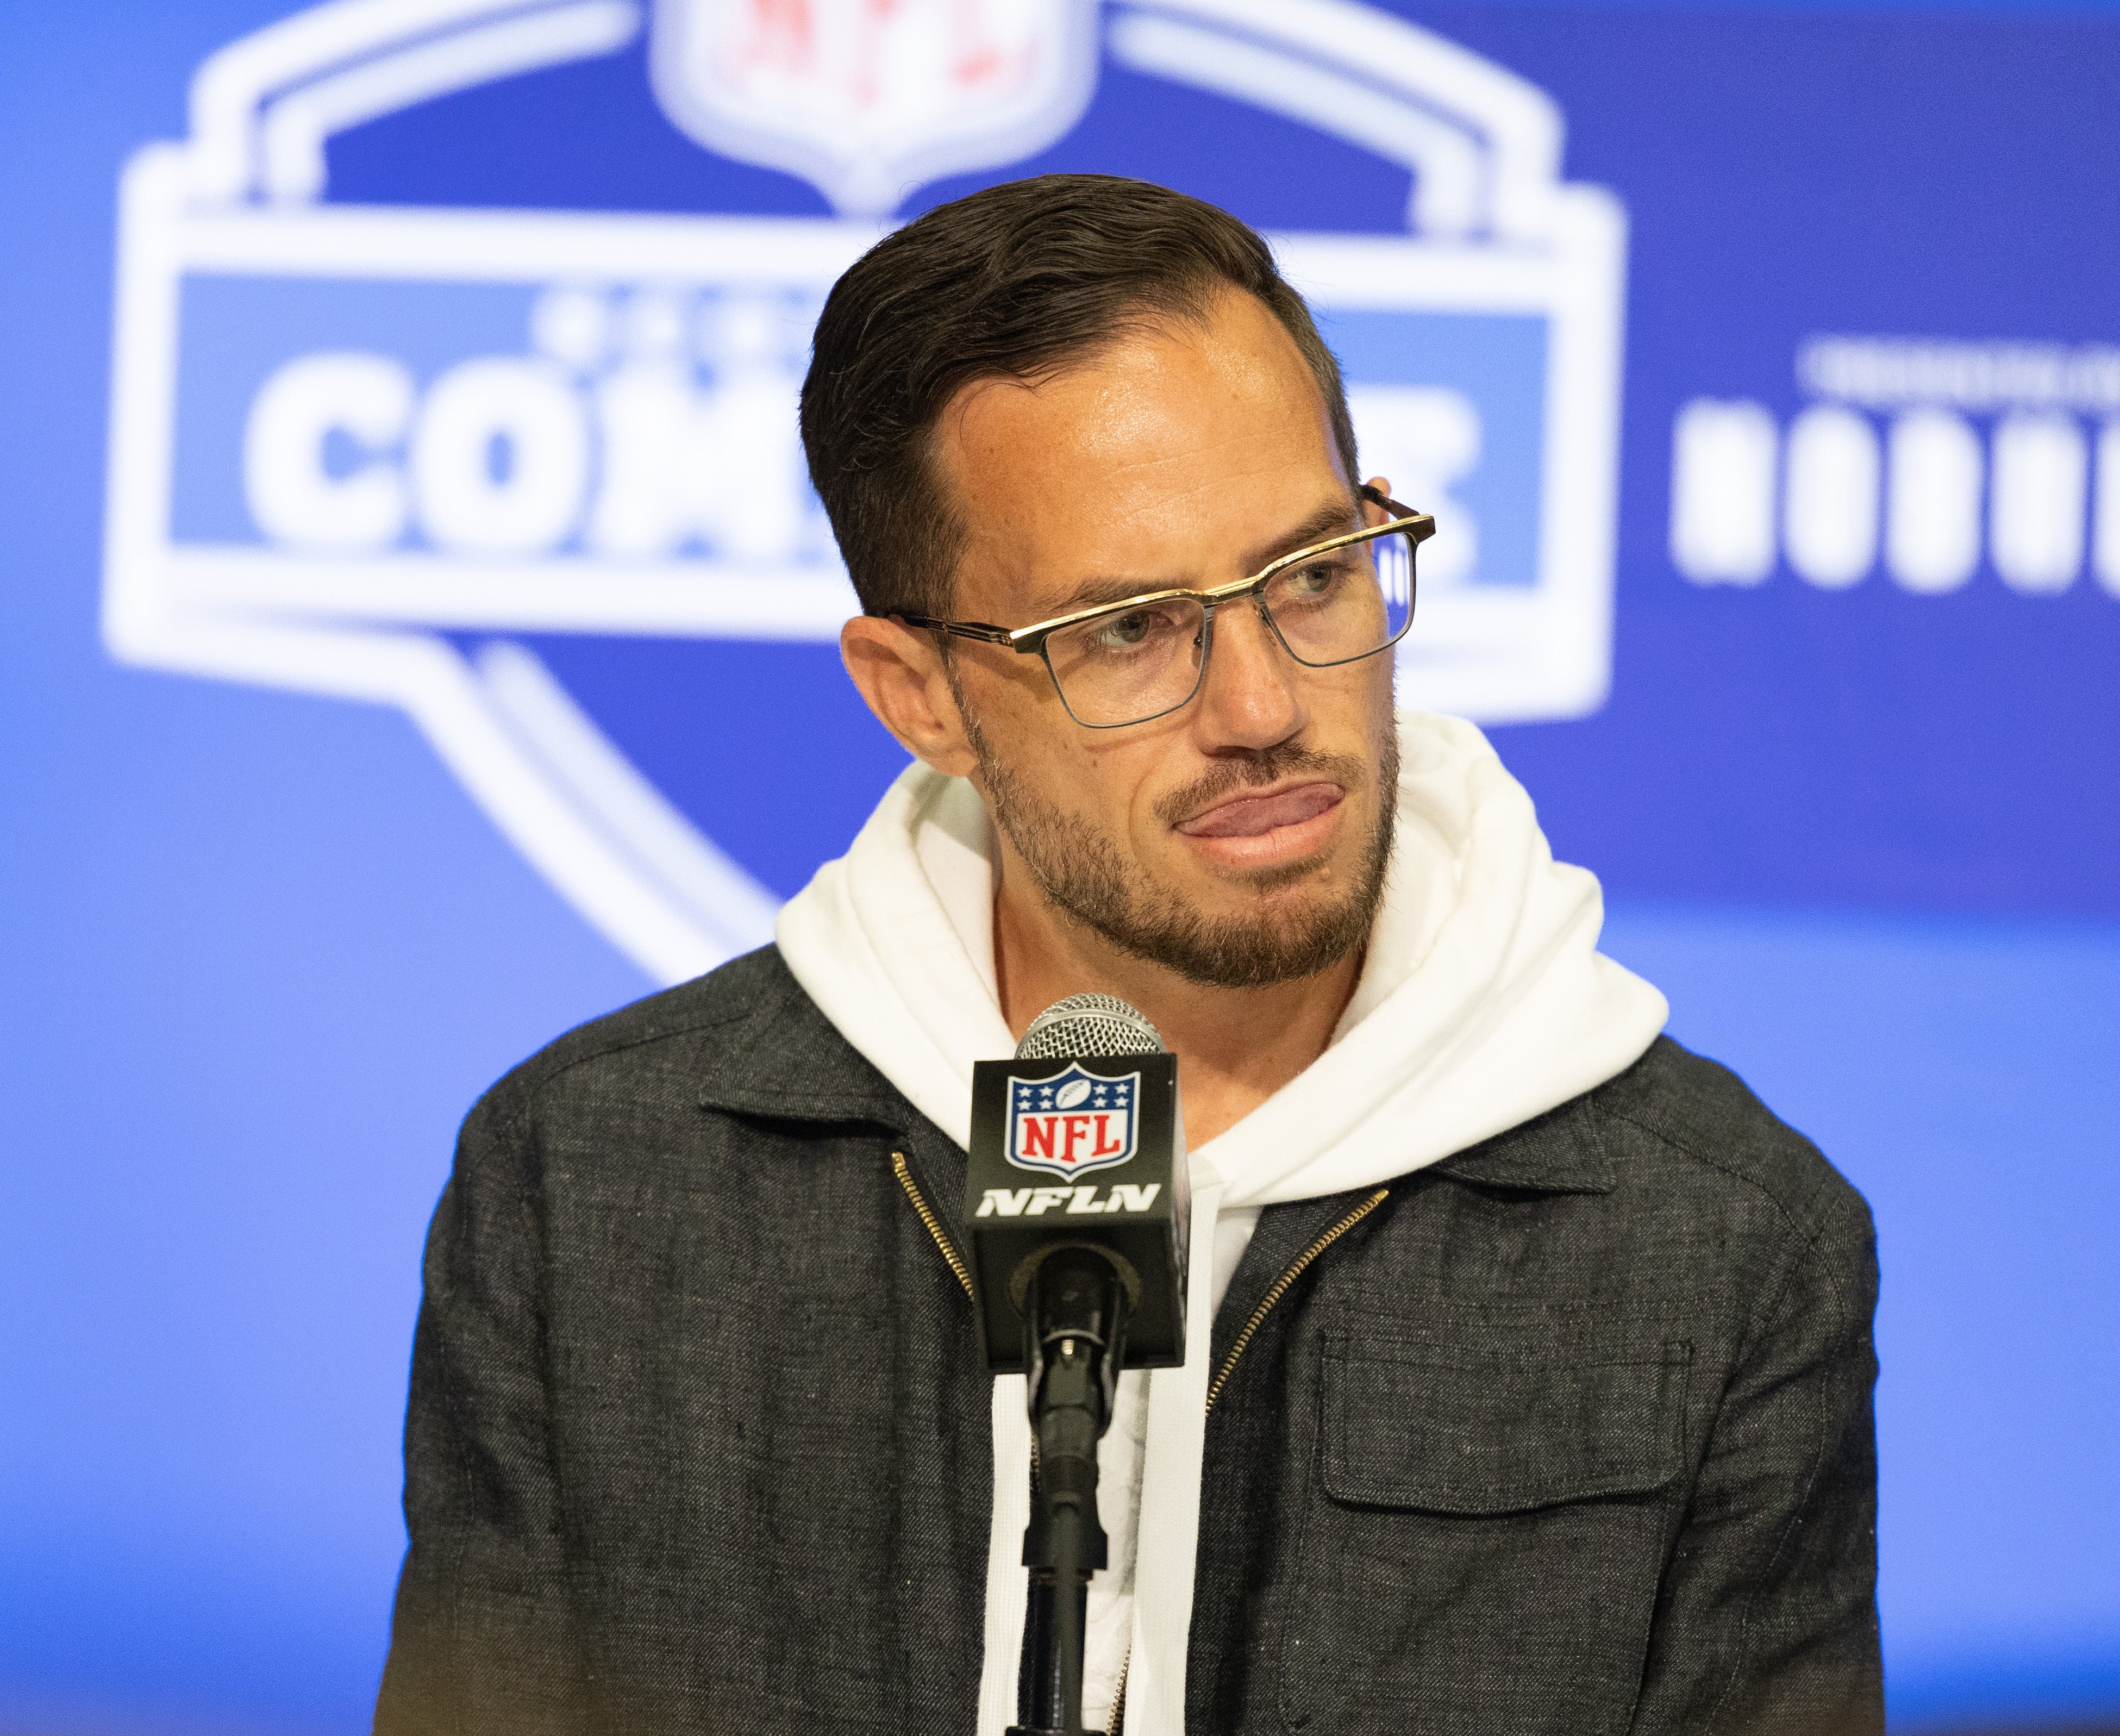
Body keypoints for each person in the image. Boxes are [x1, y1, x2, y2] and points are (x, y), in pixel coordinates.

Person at [376, 173, 1880, 1736]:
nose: (1263, 708)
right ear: (922, 697)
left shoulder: (1719, 1245)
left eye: (1312, 574)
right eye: (1130, 630)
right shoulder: (592, 1189)